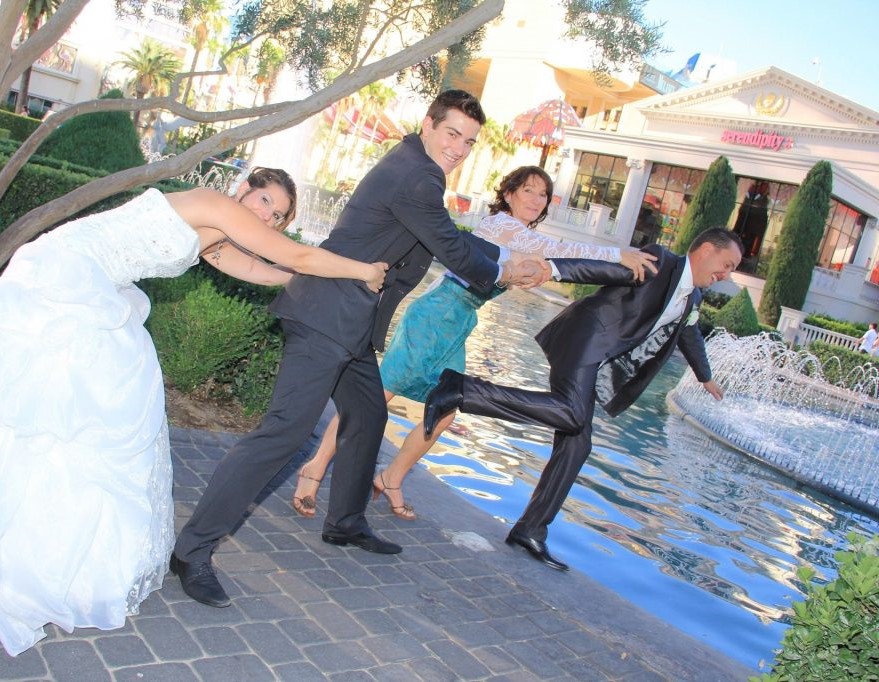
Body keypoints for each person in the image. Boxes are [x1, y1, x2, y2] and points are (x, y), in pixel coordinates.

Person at [0, 168, 387, 656]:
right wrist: (363, 269)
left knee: (63, 409)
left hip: (96, 283)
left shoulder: (219, 238)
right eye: (265, 200)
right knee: (54, 404)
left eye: (278, 215)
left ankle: (16, 531)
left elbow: (268, 270)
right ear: (244, 190)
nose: (267, 215)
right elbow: (294, 258)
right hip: (70, 273)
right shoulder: (212, 203)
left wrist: (326, 280)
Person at [171, 90, 549, 608]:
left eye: (469, 140)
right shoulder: (419, 175)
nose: (459, 147)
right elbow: (452, 247)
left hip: (349, 321)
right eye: (452, 133)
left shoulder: (413, 167)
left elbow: (448, 234)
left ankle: (345, 522)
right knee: (284, 434)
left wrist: (507, 257)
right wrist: (505, 268)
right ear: (429, 125)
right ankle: (192, 551)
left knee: (368, 414)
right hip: (327, 315)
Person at [292, 166, 657, 520]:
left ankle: (391, 478)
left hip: (460, 320)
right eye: (527, 189)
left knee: (445, 409)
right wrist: (616, 253)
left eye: (542, 193)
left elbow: (552, 258)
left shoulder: (522, 239)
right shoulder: (502, 226)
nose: (535, 198)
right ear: (509, 194)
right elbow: (555, 246)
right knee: (377, 395)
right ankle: (316, 465)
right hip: (436, 314)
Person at [422, 228, 743, 571]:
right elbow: (603, 269)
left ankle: (530, 529)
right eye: (726, 264)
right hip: (584, 341)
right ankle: (461, 390)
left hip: (598, 358)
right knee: (573, 415)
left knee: (577, 443)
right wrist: (553, 269)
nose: (725, 275)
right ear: (706, 249)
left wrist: (705, 376)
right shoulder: (661, 263)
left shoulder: (692, 297)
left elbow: (689, 333)